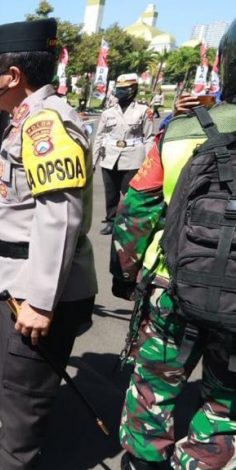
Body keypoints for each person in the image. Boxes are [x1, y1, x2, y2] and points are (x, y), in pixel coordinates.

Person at [0, 19, 97, 469]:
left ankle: (17, 453)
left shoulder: (45, 126)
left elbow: (59, 219)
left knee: (22, 397)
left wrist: (40, 300)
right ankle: (17, 434)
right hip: (18, 276)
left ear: (13, 76)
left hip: (35, 287)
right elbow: (30, 197)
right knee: (19, 390)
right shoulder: (28, 119)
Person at [111, 20, 236, 470]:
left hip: (172, 287)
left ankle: (144, 462)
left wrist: (125, 274)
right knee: (227, 404)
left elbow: (136, 211)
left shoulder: (182, 131)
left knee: (155, 386)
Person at [93, 73, 154, 235]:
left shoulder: (143, 111)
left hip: (133, 158)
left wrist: (149, 162)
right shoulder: (108, 112)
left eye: (123, 89)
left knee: (130, 194)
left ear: (133, 90)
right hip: (109, 158)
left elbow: (149, 138)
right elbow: (98, 137)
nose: (119, 92)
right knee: (111, 194)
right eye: (118, 89)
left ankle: (129, 222)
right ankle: (111, 221)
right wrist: (93, 161)